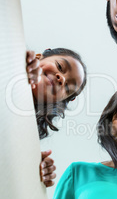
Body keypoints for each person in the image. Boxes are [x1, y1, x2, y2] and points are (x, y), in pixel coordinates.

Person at [26, 48, 87, 187]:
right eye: (59, 66)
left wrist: (33, 164)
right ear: (38, 56)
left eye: (67, 88)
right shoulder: (12, 59)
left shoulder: (29, 133)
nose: (62, 78)